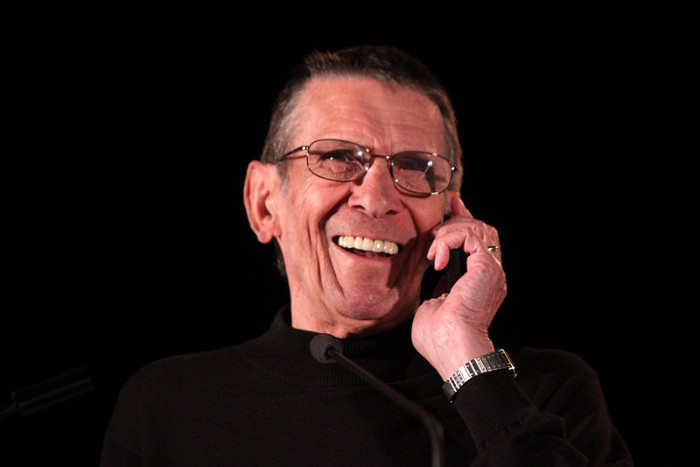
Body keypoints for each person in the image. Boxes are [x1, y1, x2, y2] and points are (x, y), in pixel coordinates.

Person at [101, 45, 633, 466]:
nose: (377, 199)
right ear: (264, 203)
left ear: (452, 212)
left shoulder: (541, 392)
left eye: (417, 168)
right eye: (336, 157)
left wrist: (470, 366)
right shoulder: (168, 406)